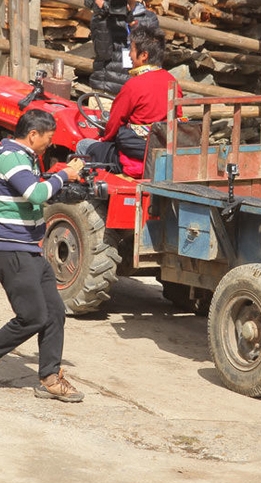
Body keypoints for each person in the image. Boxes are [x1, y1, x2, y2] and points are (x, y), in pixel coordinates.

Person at [0, 110, 85, 403]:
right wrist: (63, 175)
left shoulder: (26, 157)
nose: (49, 146)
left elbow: (35, 192)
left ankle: (50, 378)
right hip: (11, 246)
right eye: (48, 141)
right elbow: (35, 194)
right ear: (32, 134)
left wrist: (60, 180)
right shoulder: (9, 155)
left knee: (54, 313)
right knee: (32, 316)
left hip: (30, 246)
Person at [77, 24, 182, 178]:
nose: (130, 55)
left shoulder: (134, 85)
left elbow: (114, 123)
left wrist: (104, 139)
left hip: (135, 156)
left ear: (144, 55)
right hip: (163, 152)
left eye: (132, 50)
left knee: (83, 145)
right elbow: (178, 117)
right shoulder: (172, 81)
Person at [86, 0, 159, 95]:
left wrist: (131, 22)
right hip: (107, 88)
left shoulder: (148, 18)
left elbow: (151, 56)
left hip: (136, 91)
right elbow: (103, 53)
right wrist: (103, 18)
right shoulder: (103, 15)